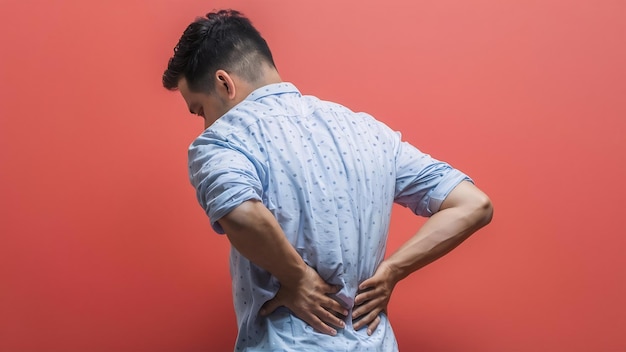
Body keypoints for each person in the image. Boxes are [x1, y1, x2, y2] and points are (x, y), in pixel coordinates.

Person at [162, 9, 493, 352]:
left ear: (224, 83)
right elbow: (473, 204)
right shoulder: (370, 132)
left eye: (200, 110)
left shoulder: (223, 139)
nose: (205, 125)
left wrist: (298, 279)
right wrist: (393, 270)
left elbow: (242, 214)